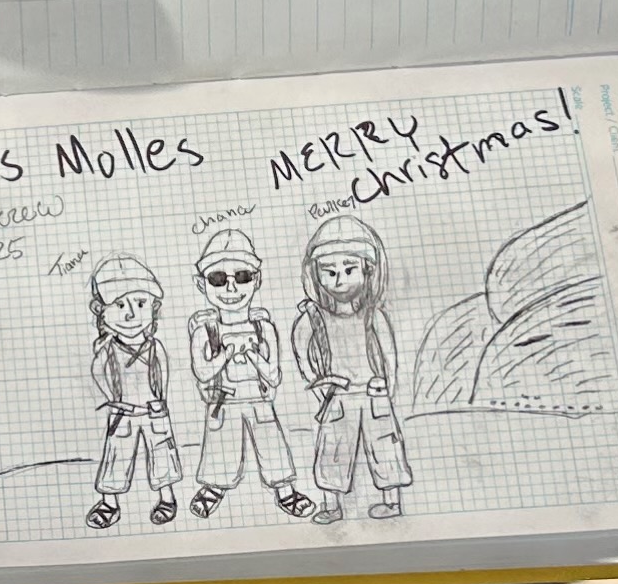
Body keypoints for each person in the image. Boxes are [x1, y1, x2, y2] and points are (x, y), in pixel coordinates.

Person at [184, 222, 312, 521]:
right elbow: (202, 373)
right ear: (202, 284)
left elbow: (274, 375)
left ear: (257, 280)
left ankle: (285, 491)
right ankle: (213, 488)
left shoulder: (262, 326)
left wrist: (253, 354)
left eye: (242, 277)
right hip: (223, 402)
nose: (231, 288)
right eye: (218, 278)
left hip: (259, 401)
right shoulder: (204, 329)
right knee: (220, 449)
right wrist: (227, 353)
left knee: (273, 447)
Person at [292, 210, 410, 523]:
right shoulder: (313, 315)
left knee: (384, 446)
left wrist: (388, 386)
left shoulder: (373, 314)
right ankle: (331, 506)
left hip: (373, 394)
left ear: (368, 270)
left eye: (349, 269)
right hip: (338, 396)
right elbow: (300, 350)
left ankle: (392, 501)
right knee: (332, 449)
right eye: (328, 271)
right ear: (315, 274)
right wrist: (320, 385)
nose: (339, 279)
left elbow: (390, 355)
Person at [79, 256, 178, 530]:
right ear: (102, 312)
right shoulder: (107, 350)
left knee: (161, 454)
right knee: (116, 456)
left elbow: (163, 374)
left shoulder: (154, 347)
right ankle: (109, 502)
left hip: (153, 410)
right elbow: (99, 375)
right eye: (119, 305)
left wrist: (161, 402)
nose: (131, 314)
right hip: (122, 413)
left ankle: (167, 498)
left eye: (141, 303)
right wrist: (113, 402)